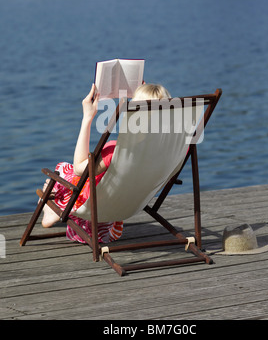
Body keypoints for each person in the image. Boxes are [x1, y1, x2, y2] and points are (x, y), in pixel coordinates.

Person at [40, 83, 171, 244]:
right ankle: (55, 205)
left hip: (96, 205)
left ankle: (53, 207)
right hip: (123, 211)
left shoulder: (117, 150)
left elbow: (79, 168)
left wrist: (87, 117)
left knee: (62, 172)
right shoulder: (173, 150)